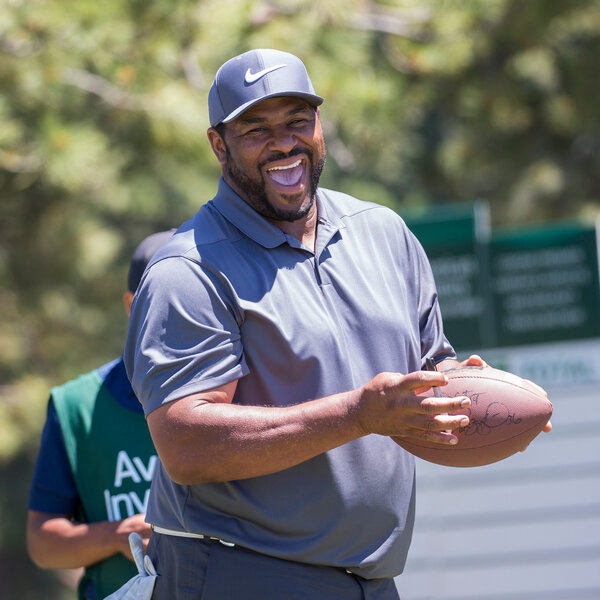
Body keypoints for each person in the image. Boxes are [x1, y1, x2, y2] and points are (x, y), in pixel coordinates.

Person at [124, 49, 550, 600]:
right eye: (256, 129)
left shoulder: (383, 232)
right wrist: (359, 414)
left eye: (298, 121)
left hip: (372, 580)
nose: (283, 142)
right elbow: (186, 445)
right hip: (241, 572)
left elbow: (429, 362)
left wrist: (464, 389)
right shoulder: (189, 270)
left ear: (320, 126)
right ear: (218, 145)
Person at [27, 230, 175, 600]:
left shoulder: (244, 392)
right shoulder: (77, 407)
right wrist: (115, 535)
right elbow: (43, 542)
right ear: (130, 305)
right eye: (162, 298)